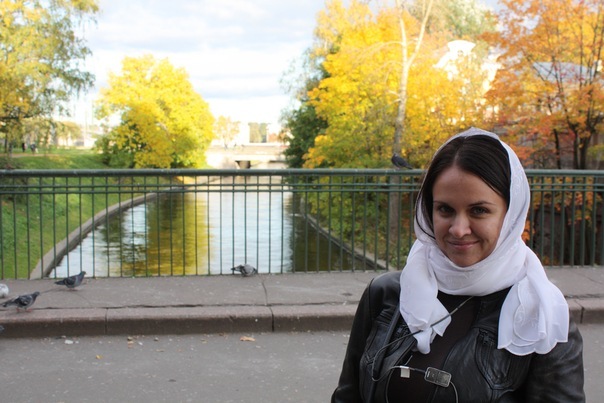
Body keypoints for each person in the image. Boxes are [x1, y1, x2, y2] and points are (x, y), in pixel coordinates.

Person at [332, 128, 584, 402]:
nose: (458, 229)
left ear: (510, 215)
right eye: (445, 209)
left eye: (479, 210)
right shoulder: (385, 294)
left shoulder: (542, 316)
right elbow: (348, 396)